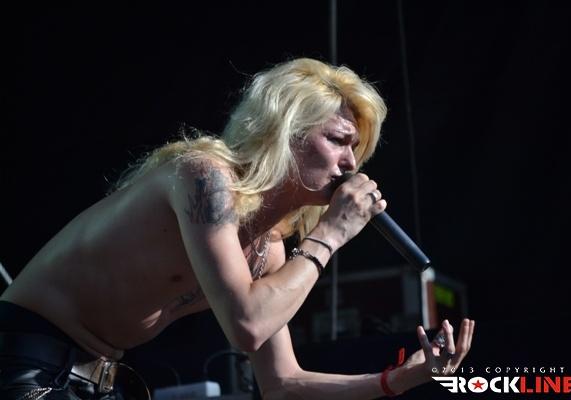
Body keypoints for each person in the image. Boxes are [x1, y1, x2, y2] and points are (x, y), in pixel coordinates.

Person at [0, 57, 474, 399]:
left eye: (356, 150)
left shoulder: (269, 250)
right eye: (337, 140)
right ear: (285, 132)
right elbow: (246, 326)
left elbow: (282, 384)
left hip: (96, 378)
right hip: (25, 359)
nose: (351, 164)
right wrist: (330, 234)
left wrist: (395, 380)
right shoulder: (204, 177)